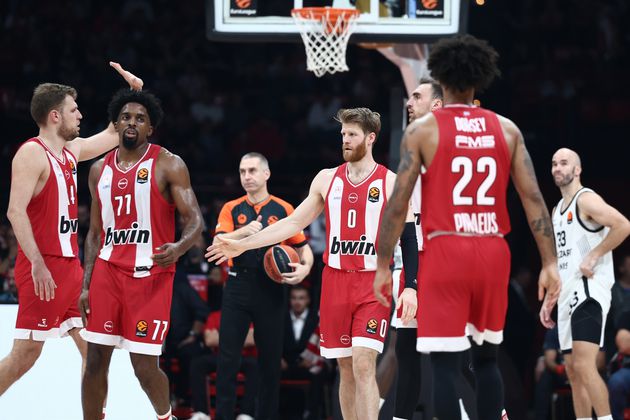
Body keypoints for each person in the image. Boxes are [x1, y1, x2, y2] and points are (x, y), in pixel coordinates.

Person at [372, 34, 561, 420]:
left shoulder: (423, 131)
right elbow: (534, 199)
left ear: (441, 78)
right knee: (486, 360)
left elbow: (397, 206)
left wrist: (382, 264)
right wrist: (550, 262)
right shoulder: (507, 129)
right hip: (492, 250)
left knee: (444, 364)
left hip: (445, 248)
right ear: (482, 78)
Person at [207, 108, 416, 420]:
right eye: (343, 134)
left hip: (373, 282)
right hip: (335, 281)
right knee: (345, 366)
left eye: (352, 134)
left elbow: (410, 238)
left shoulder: (390, 182)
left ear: (371, 138)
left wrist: (411, 287)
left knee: (363, 362)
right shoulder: (326, 179)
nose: (345, 140)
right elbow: (292, 224)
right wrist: (242, 244)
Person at [0, 62, 142, 399]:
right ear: (55, 116)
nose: (80, 115)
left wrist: (133, 94)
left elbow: (113, 135)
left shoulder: (70, 151)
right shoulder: (32, 153)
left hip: (71, 268)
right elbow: (15, 211)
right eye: (73, 110)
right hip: (43, 268)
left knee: (95, 351)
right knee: (24, 356)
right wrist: (37, 263)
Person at [79, 89, 204, 420]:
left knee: (144, 366)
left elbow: (195, 221)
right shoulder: (98, 170)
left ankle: (165, 417)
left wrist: (178, 248)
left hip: (150, 277)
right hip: (107, 272)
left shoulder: (168, 163)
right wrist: (86, 284)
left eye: (139, 118)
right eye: (125, 117)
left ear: (150, 128)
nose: (131, 122)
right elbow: (94, 233)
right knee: (94, 360)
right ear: (116, 124)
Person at [212, 152, 314, 420]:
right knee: (227, 361)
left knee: (270, 363)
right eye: (242, 171)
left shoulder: (283, 208)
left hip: (271, 289)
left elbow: (304, 248)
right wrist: (242, 232)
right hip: (237, 285)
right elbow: (218, 244)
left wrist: (305, 268)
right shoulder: (231, 208)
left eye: (252, 170)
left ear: (266, 174)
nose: (246, 176)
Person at [550, 147, 630, 420]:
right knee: (573, 371)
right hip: (566, 293)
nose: (558, 168)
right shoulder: (556, 210)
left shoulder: (586, 199)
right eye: (554, 164)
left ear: (577, 169)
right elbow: (563, 258)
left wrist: (595, 254)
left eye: (564, 163)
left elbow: (623, 225)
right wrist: (551, 295)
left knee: (585, 365)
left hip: (588, 290)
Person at [386, 77, 444, 420]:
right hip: (411, 257)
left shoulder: (447, 145)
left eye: (417, 97)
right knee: (406, 351)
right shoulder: (411, 147)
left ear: (436, 105)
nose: (409, 103)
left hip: (443, 259)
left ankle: (496, 412)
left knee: (456, 355)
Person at [189, 310, 259, 420]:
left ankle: (246, 414)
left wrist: (220, 336)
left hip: (243, 357)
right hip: (220, 356)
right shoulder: (215, 316)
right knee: (198, 364)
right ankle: (202, 412)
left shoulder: (249, 316)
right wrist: (240, 338)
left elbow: (252, 339)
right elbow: (210, 340)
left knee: (255, 366)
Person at [281, 285, 327, 420]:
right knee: (268, 371)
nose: (297, 302)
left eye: (301, 298)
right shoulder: (281, 318)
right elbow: (274, 340)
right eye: (294, 298)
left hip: (308, 365)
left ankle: (313, 415)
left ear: (308, 300)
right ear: (289, 300)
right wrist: (278, 358)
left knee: (320, 372)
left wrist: (312, 359)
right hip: (285, 364)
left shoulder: (317, 319)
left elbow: (323, 342)